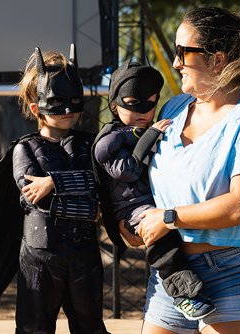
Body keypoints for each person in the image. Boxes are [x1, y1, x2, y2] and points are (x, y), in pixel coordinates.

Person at [118, 7, 240, 334]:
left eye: (182, 52)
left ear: (217, 59)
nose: (176, 62)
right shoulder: (173, 108)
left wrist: (166, 218)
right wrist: (133, 221)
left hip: (235, 273)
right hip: (171, 271)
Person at [0, 44, 108, 334]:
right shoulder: (25, 148)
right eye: (59, 100)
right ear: (36, 107)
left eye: (74, 99)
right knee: (34, 329)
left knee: (90, 327)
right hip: (39, 261)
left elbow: (101, 184)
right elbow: (35, 197)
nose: (69, 109)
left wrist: (54, 182)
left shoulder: (88, 145)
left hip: (84, 257)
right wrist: (87, 204)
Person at [92, 59, 215, 321]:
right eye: (133, 104)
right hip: (134, 208)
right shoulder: (109, 140)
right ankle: (183, 294)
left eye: (150, 103)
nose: (144, 111)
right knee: (163, 243)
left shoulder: (145, 128)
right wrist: (149, 135)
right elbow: (127, 171)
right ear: (114, 105)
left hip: (157, 205)